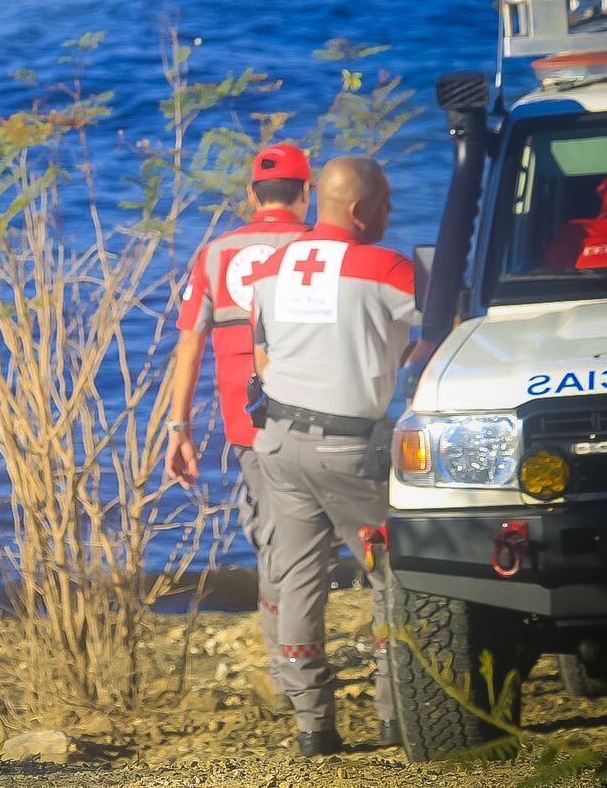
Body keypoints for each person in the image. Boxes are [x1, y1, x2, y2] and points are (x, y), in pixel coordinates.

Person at [246, 157, 414, 756]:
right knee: (397, 573)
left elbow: (260, 348)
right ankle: (400, 714)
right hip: (348, 448)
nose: (390, 215)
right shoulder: (389, 268)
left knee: (297, 583)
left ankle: (313, 728)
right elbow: (447, 330)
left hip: (279, 442)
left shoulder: (267, 267)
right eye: (388, 204)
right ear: (363, 209)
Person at [166, 142, 311, 696]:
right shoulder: (316, 247)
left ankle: (286, 666)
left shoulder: (216, 253)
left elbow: (190, 341)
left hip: (247, 420)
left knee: (271, 538)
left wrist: (179, 428)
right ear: (306, 191)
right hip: (317, 409)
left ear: (252, 194)